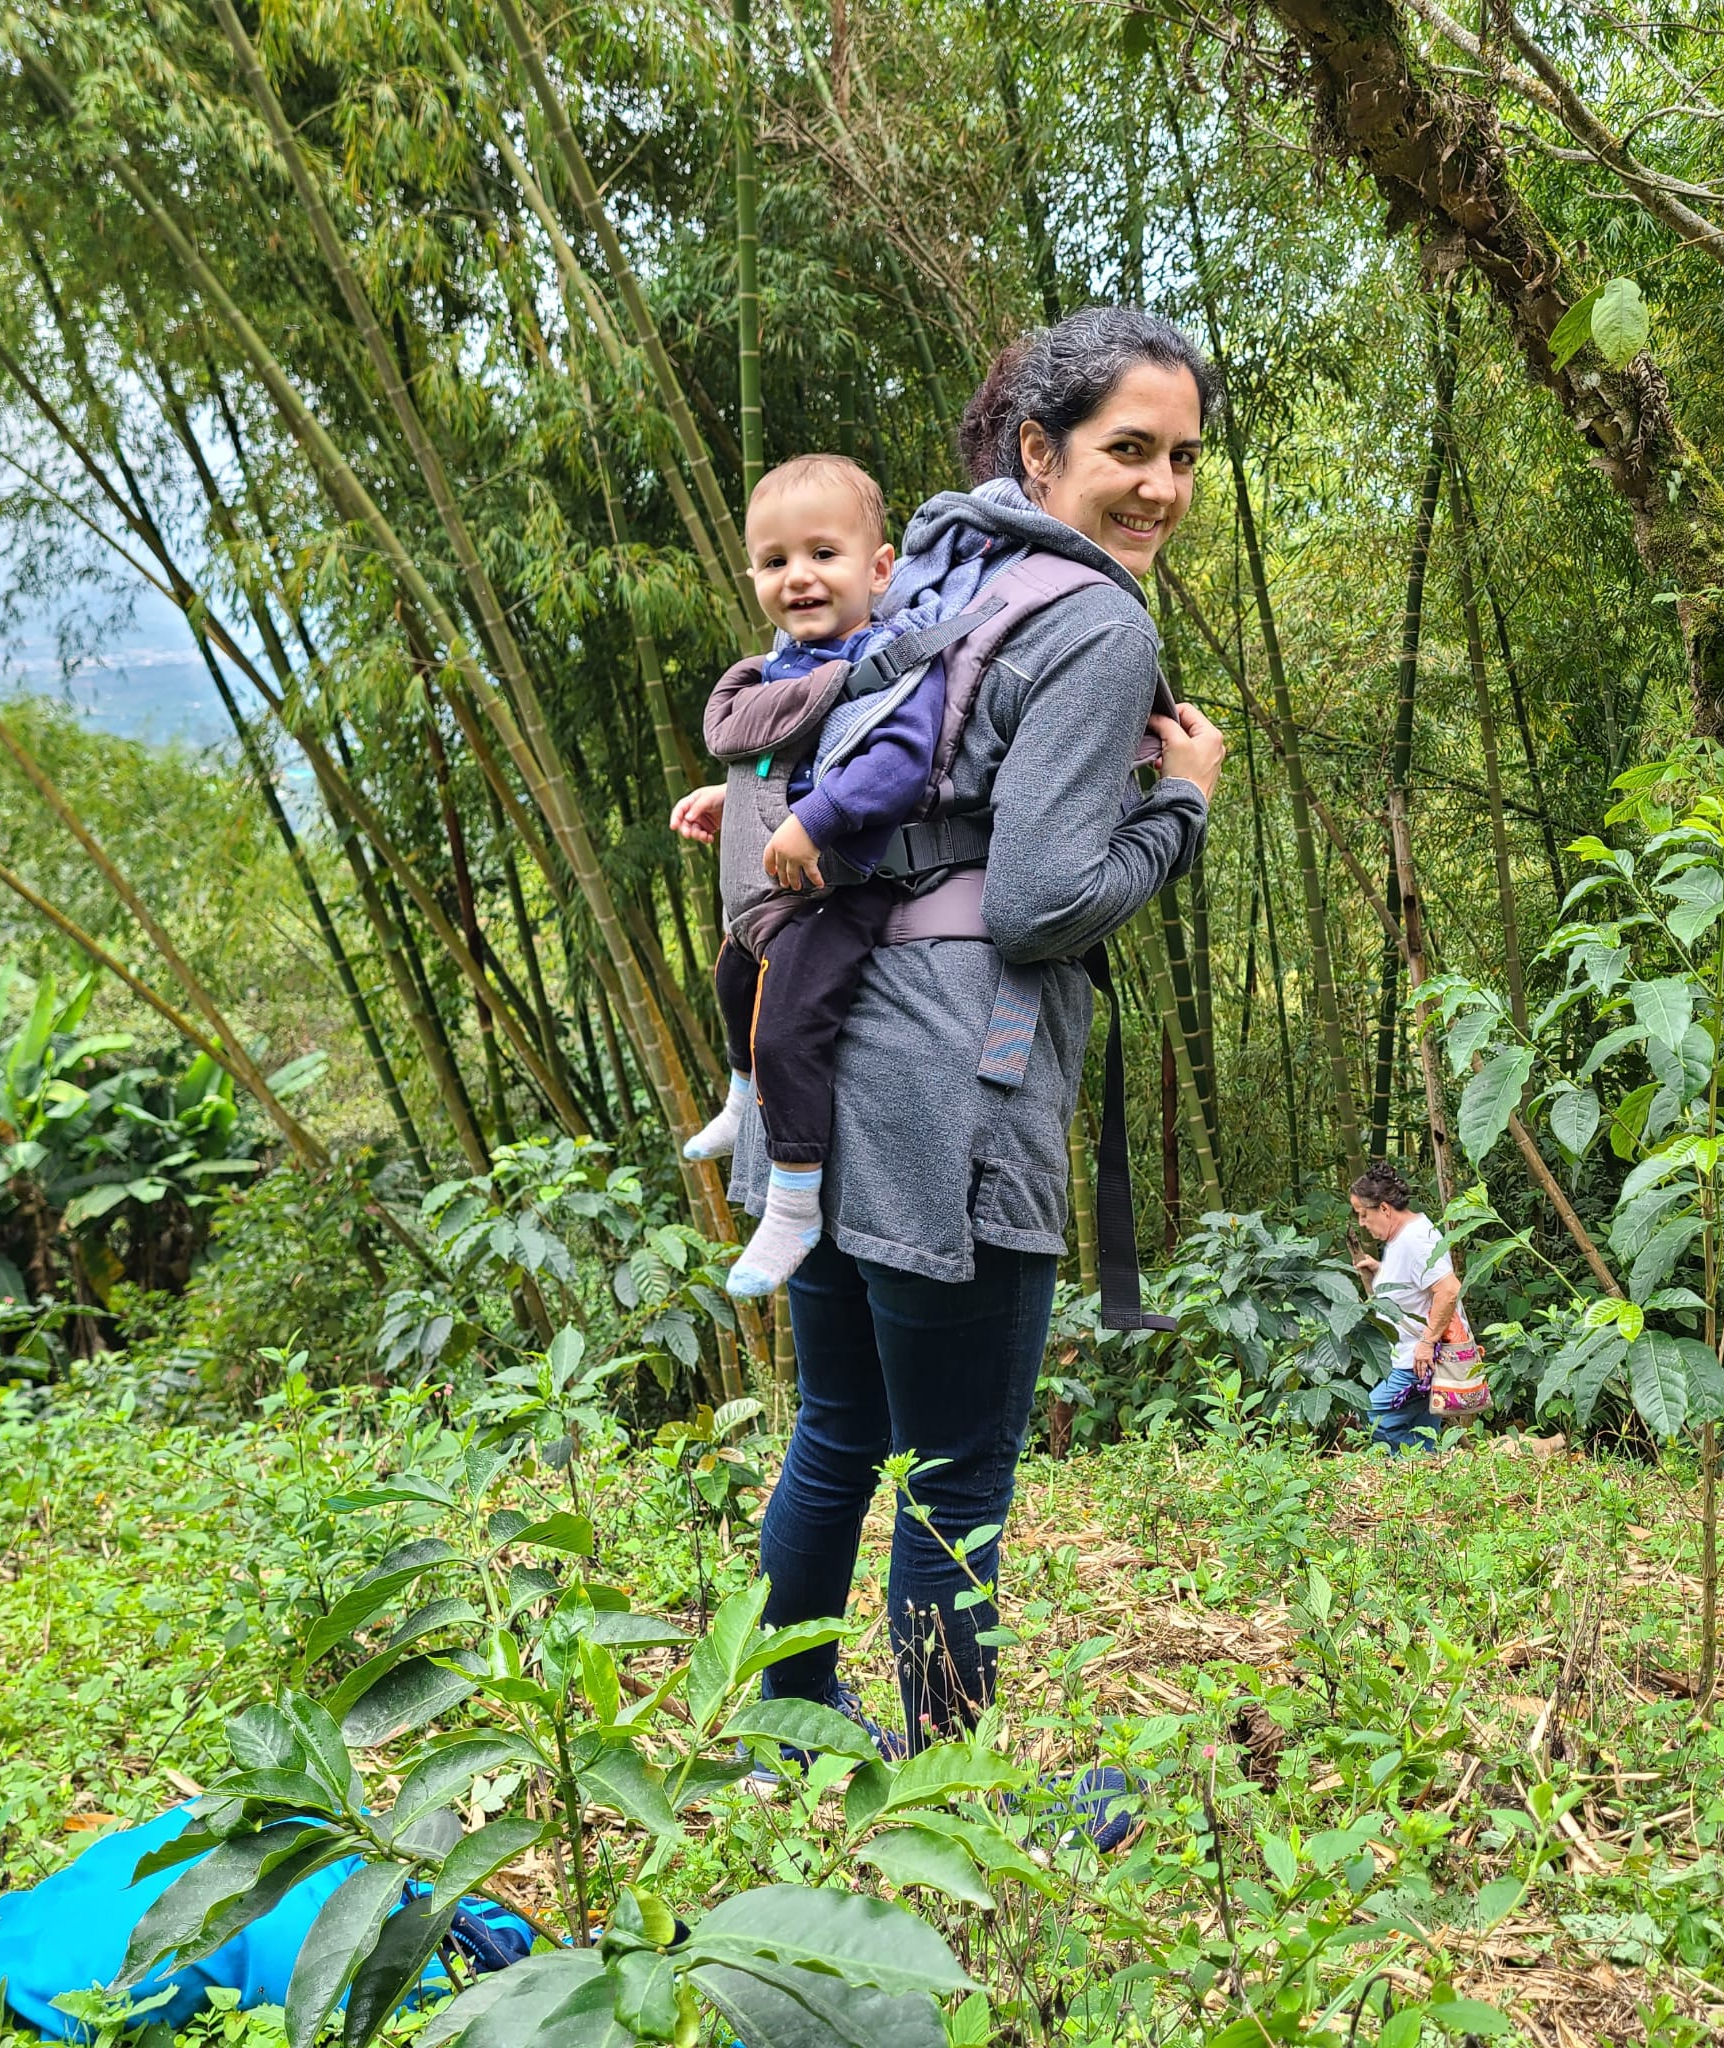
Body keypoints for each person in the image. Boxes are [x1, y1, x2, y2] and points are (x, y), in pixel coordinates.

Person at [726, 306, 1226, 1810]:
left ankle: (786, 1724)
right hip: (953, 1079)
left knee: (839, 1424)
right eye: (1127, 450)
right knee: (956, 1471)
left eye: (1184, 457)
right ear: (1038, 449)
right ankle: (952, 1800)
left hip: (816, 1045)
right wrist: (1180, 805)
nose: (1158, 487)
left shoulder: (945, 570)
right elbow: (1040, 901)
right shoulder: (1096, 624)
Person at [671, 453, 929, 1299]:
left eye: (823, 553)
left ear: (879, 569)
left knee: (787, 1030)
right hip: (778, 892)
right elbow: (789, 758)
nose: (799, 576)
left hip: (847, 887)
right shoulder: (785, 663)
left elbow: (897, 765)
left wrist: (814, 819)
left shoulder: (887, 662)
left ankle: (792, 1201)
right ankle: (742, 1096)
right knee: (731, 975)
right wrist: (734, 794)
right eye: (775, 560)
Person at [1349, 1164, 1467, 1454]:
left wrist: (1427, 1343)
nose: (1362, 1223)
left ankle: (1432, 1462)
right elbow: (1417, 1283)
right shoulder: (1403, 1235)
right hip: (1414, 1358)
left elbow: (1449, 1289)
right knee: (1421, 1432)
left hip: (1419, 1360)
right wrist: (1380, 1271)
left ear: (1384, 1208)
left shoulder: (1415, 1240)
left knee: (1372, 1415)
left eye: (1363, 1214)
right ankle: (1429, 1470)